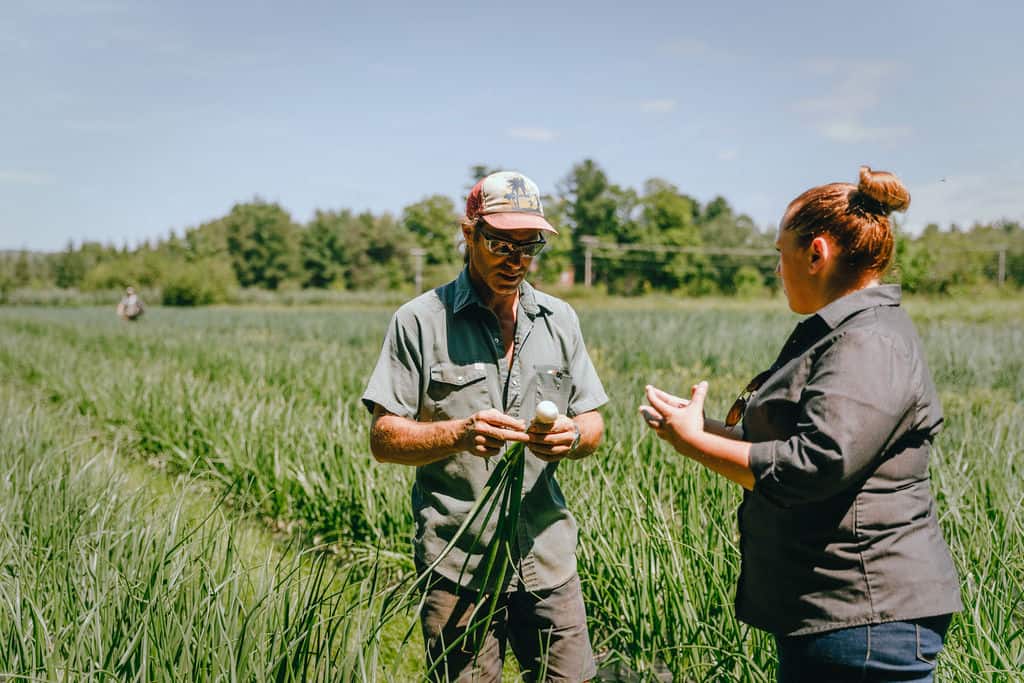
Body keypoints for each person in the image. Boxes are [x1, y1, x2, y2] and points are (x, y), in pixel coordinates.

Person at [639, 166, 962, 682]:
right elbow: (796, 444)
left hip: (865, 618)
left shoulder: (867, 342)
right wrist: (701, 429)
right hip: (838, 616)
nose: (776, 267)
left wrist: (695, 444)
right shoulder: (843, 333)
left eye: (779, 252)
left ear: (816, 253)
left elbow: (815, 465)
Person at [363, 171, 607, 682]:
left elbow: (593, 420)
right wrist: (457, 433)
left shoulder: (559, 320)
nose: (516, 260)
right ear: (469, 234)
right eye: (500, 243)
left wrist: (574, 436)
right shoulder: (420, 321)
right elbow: (384, 437)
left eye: (529, 245)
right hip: (460, 567)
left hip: (548, 558)